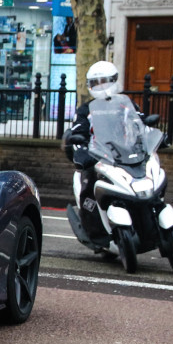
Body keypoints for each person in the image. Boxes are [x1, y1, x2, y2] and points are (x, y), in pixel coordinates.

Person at [63, 60, 123, 245]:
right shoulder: (85, 110)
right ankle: (97, 236)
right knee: (88, 191)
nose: (101, 86)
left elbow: (141, 123)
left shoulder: (125, 106)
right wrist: (81, 152)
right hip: (97, 159)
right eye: (96, 83)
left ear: (114, 80)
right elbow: (78, 132)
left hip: (124, 158)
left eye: (105, 81)